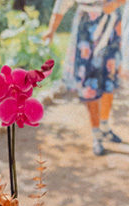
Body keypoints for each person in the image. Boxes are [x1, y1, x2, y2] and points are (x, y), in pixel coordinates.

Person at [44, 0, 127, 156]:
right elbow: (62, 3)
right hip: (86, 27)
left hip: (110, 25)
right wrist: (51, 30)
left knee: (109, 77)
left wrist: (115, 3)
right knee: (89, 81)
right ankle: (97, 135)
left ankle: (104, 127)